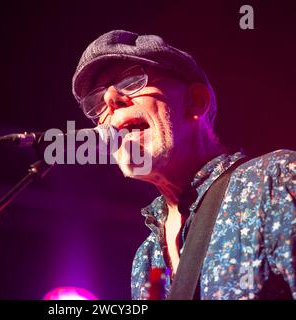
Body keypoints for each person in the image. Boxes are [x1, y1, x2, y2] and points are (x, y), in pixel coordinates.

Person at [71, 30, 296, 300]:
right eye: (95, 102)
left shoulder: (274, 181)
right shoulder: (148, 257)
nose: (109, 101)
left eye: (132, 81)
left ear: (195, 102)